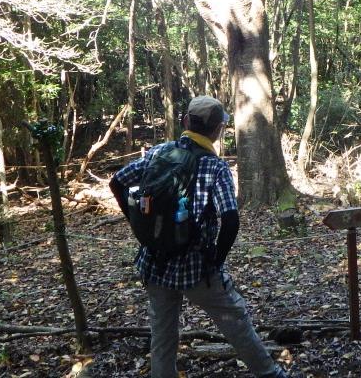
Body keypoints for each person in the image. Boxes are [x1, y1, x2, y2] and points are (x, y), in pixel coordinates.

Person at [110, 96, 288, 378]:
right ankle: (271, 374)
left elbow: (117, 181)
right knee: (237, 322)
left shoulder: (158, 153)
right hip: (197, 267)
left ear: (185, 122)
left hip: (155, 264)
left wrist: (136, 224)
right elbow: (230, 219)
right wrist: (216, 260)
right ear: (218, 130)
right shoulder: (216, 167)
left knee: (162, 336)